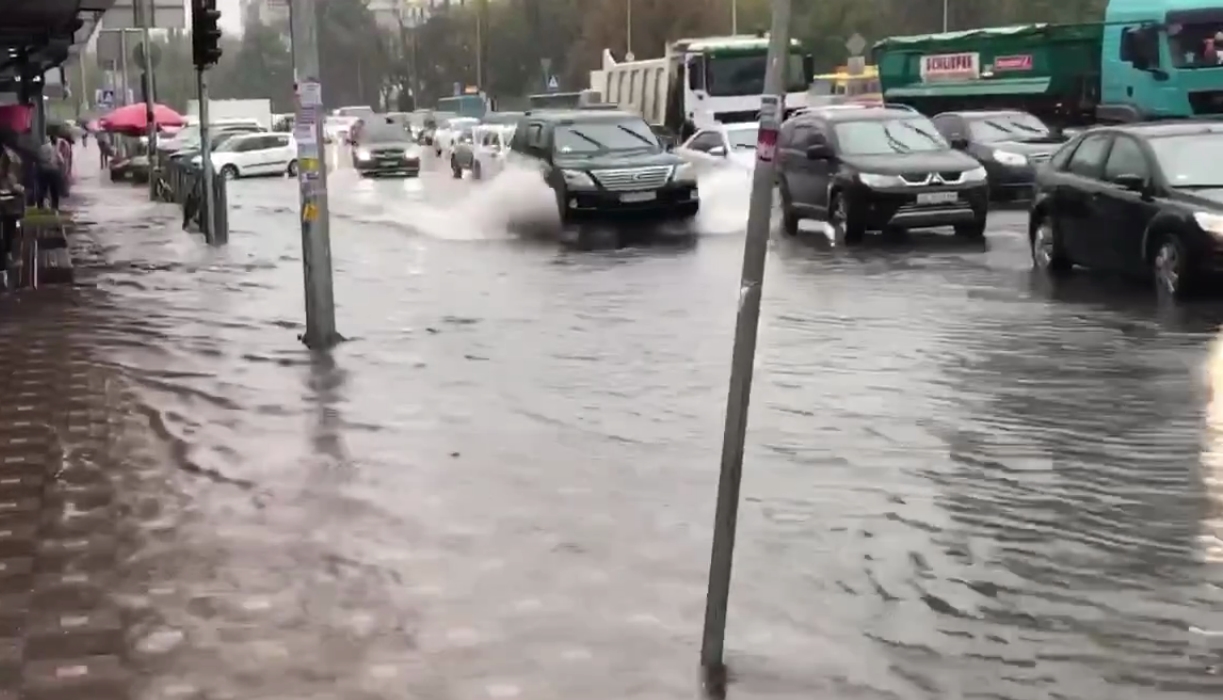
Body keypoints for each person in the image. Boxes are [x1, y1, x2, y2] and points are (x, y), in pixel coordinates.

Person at [34, 137, 63, 211]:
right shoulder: (54, 149)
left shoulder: (40, 149)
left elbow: (36, 160)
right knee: (54, 190)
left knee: (42, 189)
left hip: (42, 170)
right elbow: (61, 161)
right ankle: (55, 207)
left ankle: (40, 206)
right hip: (54, 171)